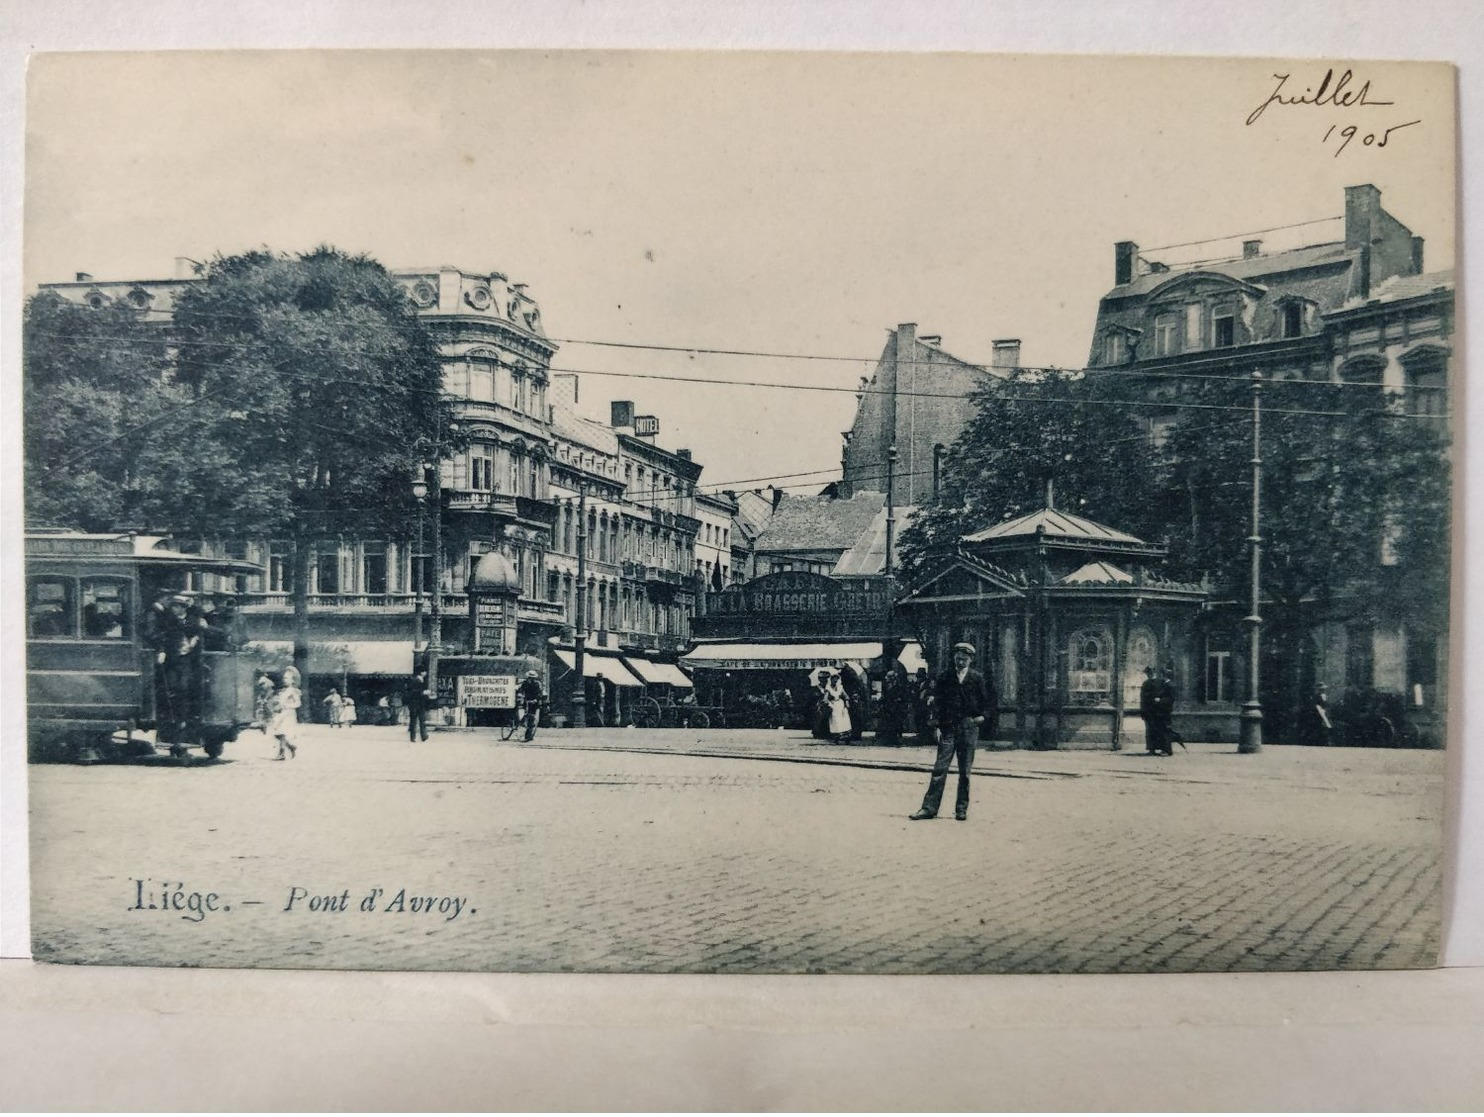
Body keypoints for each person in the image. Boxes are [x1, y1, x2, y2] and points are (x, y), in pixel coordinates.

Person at [910, 642, 990, 821]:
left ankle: (961, 809)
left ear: (971, 659)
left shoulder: (977, 679)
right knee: (939, 769)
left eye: (964, 658)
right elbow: (938, 702)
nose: (960, 660)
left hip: (968, 729)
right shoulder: (945, 677)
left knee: (965, 772)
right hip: (948, 729)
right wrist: (937, 724)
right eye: (958, 657)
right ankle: (929, 808)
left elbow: (987, 705)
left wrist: (979, 719)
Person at [269, 666, 302, 760]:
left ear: (293, 680)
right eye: (284, 678)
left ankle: (281, 754)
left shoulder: (293, 691)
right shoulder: (284, 691)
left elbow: (298, 703)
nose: (285, 680)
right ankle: (291, 747)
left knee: (283, 733)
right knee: (277, 733)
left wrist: (288, 706)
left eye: (287, 678)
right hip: (281, 713)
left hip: (289, 714)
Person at [823, 670, 852, 744]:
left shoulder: (840, 687)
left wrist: (847, 701)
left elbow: (845, 695)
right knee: (835, 720)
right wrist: (827, 703)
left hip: (840, 704)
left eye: (836, 679)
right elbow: (825, 698)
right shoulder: (828, 687)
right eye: (834, 679)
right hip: (833, 705)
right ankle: (837, 736)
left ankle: (846, 736)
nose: (835, 680)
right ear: (831, 680)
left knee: (844, 720)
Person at [405, 671, 433, 742]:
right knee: (416, 721)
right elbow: (414, 692)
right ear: (421, 672)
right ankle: (418, 736)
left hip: (419, 704)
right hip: (415, 704)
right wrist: (424, 692)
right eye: (424, 671)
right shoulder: (416, 680)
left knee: (419, 720)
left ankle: (421, 736)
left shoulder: (420, 680)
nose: (426, 673)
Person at [516, 670, 544, 741]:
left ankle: (528, 735)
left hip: (534, 702)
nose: (531, 679)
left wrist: (536, 699)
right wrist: (520, 695)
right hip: (526, 701)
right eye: (530, 678)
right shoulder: (525, 683)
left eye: (533, 678)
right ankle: (521, 723)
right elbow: (521, 690)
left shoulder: (537, 684)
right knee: (524, 713)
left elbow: (539, 693)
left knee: (531, 718)